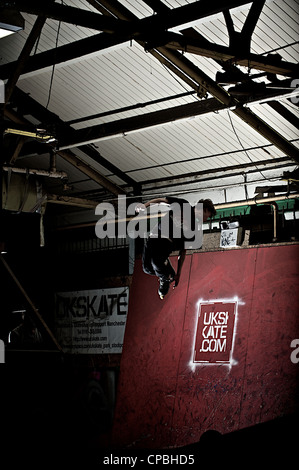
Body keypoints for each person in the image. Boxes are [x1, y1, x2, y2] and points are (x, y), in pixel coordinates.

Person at [136, 196, 216, 299]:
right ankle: (167, 270)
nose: (205, 220)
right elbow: (162, 200)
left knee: (156, 262)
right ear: (204, 210)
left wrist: (179, 273)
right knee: (146, 268)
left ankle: (165, 278)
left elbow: (183, 251)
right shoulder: (184, 205)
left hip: (166, 244)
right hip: (154, 237)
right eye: (207, 216)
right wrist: (145, 206)